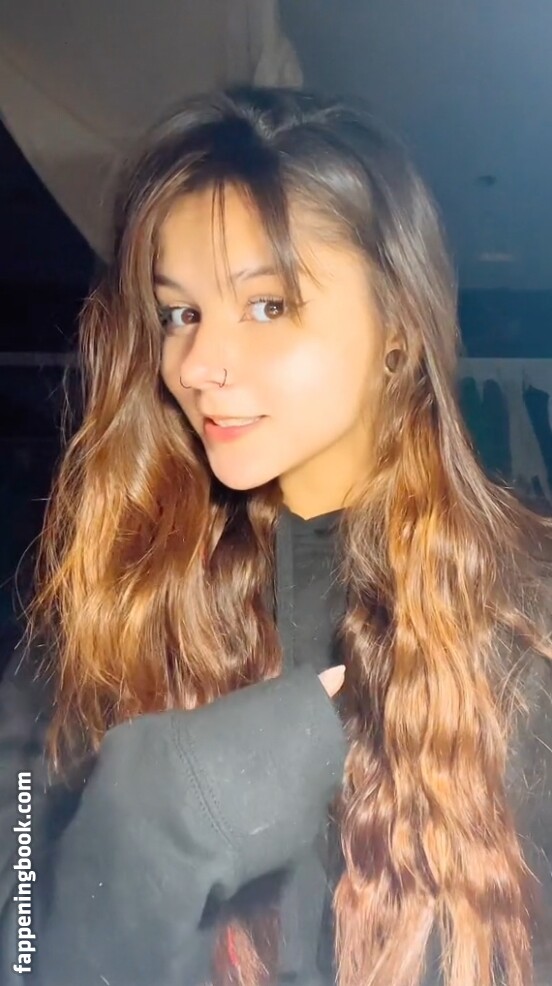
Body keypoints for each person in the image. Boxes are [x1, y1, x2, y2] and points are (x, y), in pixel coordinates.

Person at [0, 86, 550, 986]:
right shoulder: (108, 608)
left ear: (398, 327)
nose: (197, 365)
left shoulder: (529, 613)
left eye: (265, 306)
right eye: (179, 313)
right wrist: (143, 840)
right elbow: (22, 939)